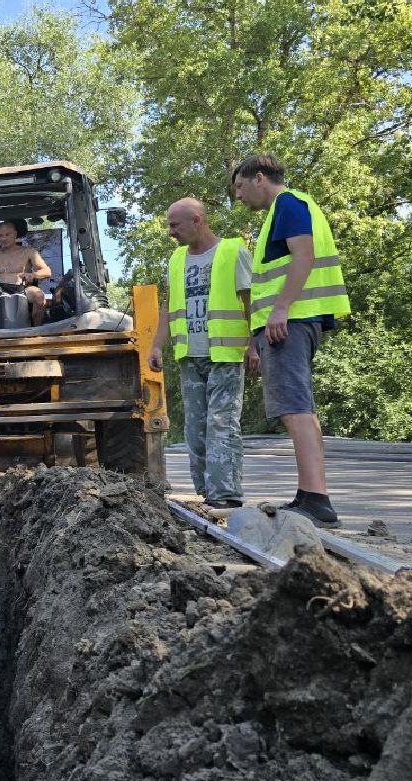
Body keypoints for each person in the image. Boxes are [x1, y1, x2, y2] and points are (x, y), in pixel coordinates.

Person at [231, 154, 351, 527]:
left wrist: (280, 308)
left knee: (295, 407)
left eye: (240, 187)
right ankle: (309, 495)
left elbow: (304, 255)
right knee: (297, 406)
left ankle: (316, 499)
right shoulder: (289, 208)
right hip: (295, 320)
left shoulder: (288, 204)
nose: (238, 196)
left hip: (292, 321)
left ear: (259, 178)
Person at [148, 197, 253, 509]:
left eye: (174, 225)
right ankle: (209, 493)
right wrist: (157, 344)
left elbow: (251, 300)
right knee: (195, 429)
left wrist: (255, 344)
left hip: (226, 354)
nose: (171, 232)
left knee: (222, 423)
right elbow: (169, 305)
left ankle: (226, 494)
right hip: (190, 356)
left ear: (197, 220)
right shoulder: (176, 259)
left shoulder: (233, 251)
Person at [0, 220, 52, 326]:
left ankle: (36, 330)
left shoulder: (29, 252)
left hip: (23, 288)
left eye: (7, 235)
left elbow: (47, 271)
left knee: (39, 297)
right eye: (0, 235)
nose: (3, 238)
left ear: (15, 234)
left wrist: (33, 275)